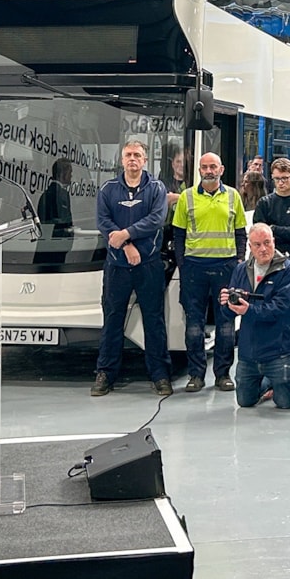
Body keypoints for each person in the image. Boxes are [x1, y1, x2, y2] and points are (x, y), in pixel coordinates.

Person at [91, 140, 170, 397]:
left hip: (149, 265)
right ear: (121, 160)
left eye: (137, 155)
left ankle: (160, 375)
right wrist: (126, 245)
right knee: (112, 320)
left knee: (154, 320)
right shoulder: (108, 189)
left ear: (145, 160)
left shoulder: (156, 189)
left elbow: (156, 220)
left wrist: (126, 233)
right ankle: (105, 373)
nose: (133, 159)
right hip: (117, 266)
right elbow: (103, 222)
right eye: (128, 155)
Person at [172, 152, 247, 392]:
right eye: (204, 167)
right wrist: (183, 264)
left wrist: (238, 261)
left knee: (226, 323)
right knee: (194, 324)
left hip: (226, 267)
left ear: (221, 169)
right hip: (194, 267)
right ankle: (196, 375)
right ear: (199, 171)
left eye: (213, 166)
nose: (208, 170)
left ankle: (223, 375)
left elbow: (240, 233)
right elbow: (179, 234)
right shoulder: (187, 197)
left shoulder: (234, 196)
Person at [222, 224, 290, 409]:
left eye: (267, 243)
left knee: (284, 402)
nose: (263, 249)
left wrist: (248, 310)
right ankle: (271, 382)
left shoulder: (288, 270)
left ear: (274, 242)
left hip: (277, 350)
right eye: (258, 244)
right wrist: (227, 303)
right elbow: (228, 312)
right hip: (248, 352)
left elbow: (279, 308)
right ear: (250, 247)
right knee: (245, 401)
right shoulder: (241, 270)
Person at [252, 158, 290, 370]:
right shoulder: (265, 203)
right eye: (277, 179)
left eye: (285, 178)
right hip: (268, 268)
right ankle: (269, 360)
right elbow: (260, 235)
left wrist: (273, 229)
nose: (281, 183)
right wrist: (283, 231)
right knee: (268, 313)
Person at [35, 157, 73, 264]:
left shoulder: (45, 194)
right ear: (62, 174)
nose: (71, 176)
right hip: (55, 249)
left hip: (44, 248)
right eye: (70, 172)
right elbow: (63, 223)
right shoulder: (61, 194)